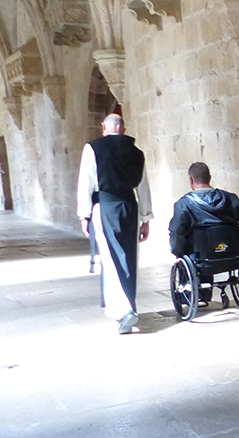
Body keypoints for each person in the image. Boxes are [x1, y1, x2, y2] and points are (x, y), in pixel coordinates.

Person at [77, 113, 153, 334]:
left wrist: (84, 215)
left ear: (104, 127)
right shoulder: (137, 152)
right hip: (130, 207)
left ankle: (125, 311)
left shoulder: (93, 149)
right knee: (128, 258)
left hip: (106, 208)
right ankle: (126, 308)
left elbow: (86, 182)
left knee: (111, 259)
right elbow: (143, 186)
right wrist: (146, 218)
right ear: (124, 128)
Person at [168, 162, 239, 302]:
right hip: (230, 255)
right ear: (210, 177)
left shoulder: (184, 204)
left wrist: (177, 252)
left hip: (199, 259)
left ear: (191, 179)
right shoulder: (230, 199)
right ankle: (206, 293)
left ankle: (192, 296)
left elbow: (177, 231)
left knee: (188, 250)